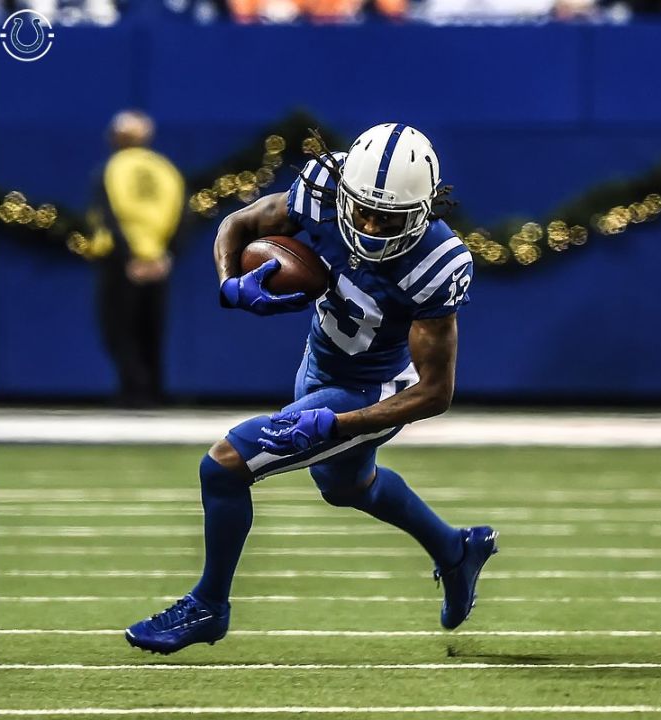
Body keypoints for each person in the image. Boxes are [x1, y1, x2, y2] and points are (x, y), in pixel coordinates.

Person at [124, 123, 498, 655]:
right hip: (320, 360)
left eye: (385, 216)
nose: (367, 224)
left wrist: (337, 422)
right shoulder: (323, 186)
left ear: (423, 210)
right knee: (346, 486)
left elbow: (435, 392)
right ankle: (455, 550)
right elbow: (239, 222)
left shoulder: (437, 263)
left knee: (225, 465)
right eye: (361, 208)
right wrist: (231, 284)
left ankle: (209, 605)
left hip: (374, 387)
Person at [86, 110, 185, 408]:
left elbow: (110, 215)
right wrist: (167, 255)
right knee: (151, 328)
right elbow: (183, 214)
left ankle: (133, 391)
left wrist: (130, 257)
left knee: (119, 327)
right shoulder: (165, 168)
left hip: (122, 261)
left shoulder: (113, 168)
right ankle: (153, 389)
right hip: (158, 259)